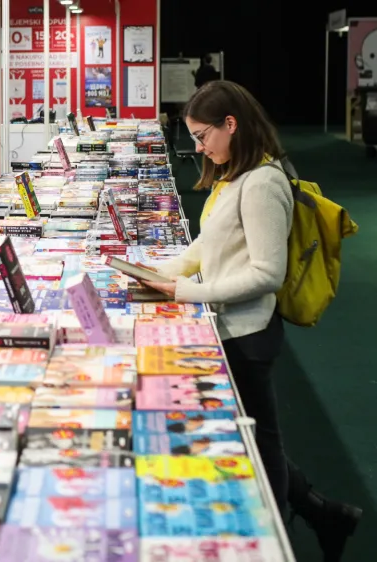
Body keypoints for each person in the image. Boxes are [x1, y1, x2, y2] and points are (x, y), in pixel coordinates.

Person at [142, 80, 361, 561]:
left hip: (248, 333)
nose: (199, 147)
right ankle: (325, 513)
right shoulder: (234, 174)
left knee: (262, 443)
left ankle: (284, 536)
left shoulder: (262, 183)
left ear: (231, 124)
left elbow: (266, 273)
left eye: (203, 136)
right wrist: (156, 273)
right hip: (226, 325)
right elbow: (209, 245)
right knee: (253, 433)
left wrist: (188, 291)